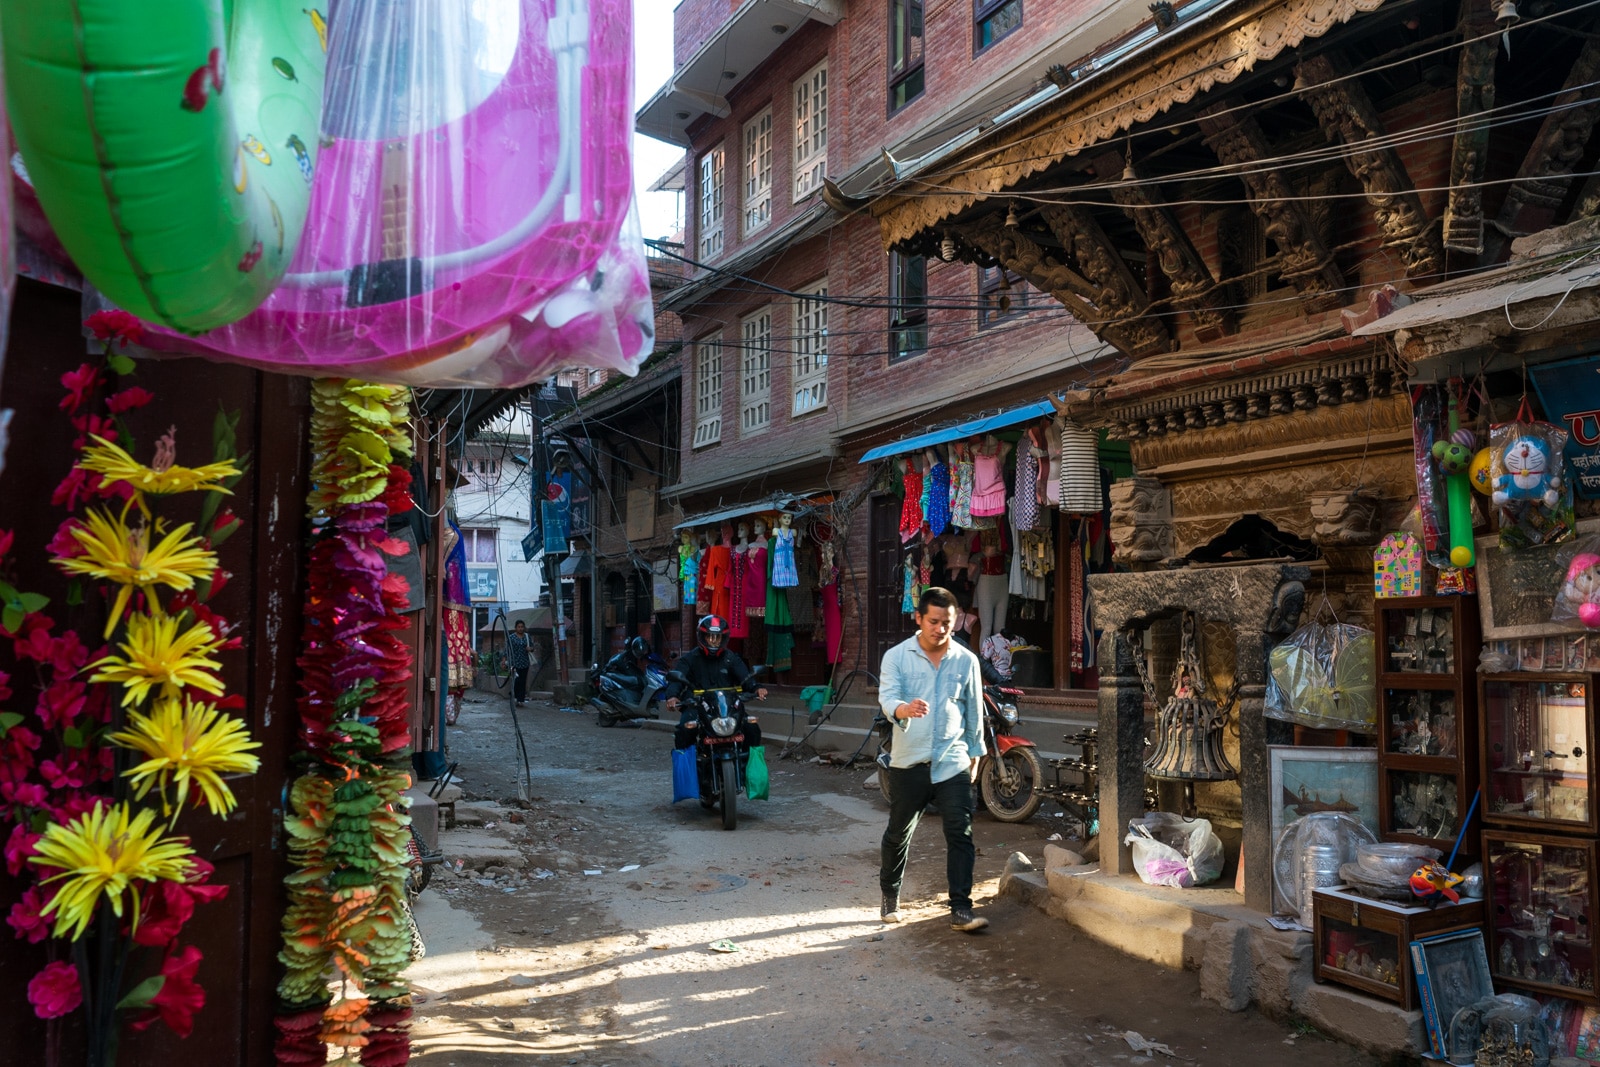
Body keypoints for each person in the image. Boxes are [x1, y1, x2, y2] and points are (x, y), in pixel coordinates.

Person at [878, 586, 989, 933]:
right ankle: (890, 895)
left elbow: (974, 710)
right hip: (909, 760)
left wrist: (975, 755)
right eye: (934, 621)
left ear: (955, 622)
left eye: (947, 622)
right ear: (919, 619)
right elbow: (887, 697)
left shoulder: (966, 660)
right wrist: (903, 709)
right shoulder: (897, 656)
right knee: (899, 832)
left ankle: (960, 908)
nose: (940, 628)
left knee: (961, 833)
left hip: (952, 761)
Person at [664, 615, 767, 749]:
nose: (713, 641)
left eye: (717, 637)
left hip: (727, 707)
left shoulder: (731, 658)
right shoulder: (689, 659)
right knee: (685, 730)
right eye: (710, 637)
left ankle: (749, 766)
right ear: (702, 637)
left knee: (752, 729)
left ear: (723, 638)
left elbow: (745, 677)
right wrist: (672, 696)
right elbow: (676, 681)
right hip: (697, 706)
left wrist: (756, 688)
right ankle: (686, 767)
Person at [602, 635, 652, 703]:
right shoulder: (625, 654)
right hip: (625, 675)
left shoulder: (647, 655)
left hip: (633, 674)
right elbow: (613, 662)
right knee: (637, 681)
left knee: (641, 680)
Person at [506, 620, 533, 705]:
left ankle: (521, 699)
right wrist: (504, 660)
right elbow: (507, 649)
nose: (521, 629)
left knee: (523, 681)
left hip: (525, 662)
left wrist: (530, 649)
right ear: (516, 628)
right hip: (515, 662)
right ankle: (514, 695)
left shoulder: (527, 637)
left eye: (522, 627)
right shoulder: (511, 637)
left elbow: (532, 647)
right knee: (517, 680)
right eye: (519, 627)